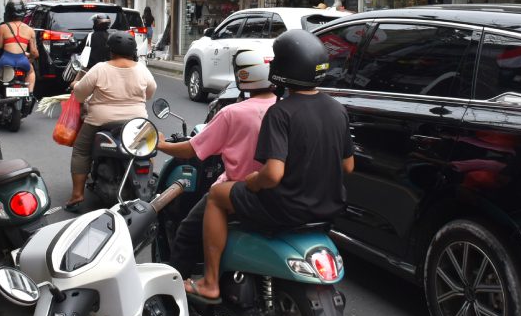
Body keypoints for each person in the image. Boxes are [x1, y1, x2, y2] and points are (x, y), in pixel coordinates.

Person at [187, 29, 354, 301]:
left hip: (284, 207)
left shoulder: (281, 112)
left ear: (284, 68)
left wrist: (253, 181)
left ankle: (210, 282)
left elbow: (273, 174)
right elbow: (348, 167)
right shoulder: (338, 109)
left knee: (217, 196)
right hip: (328, 206)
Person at [157, 49, 275, 278]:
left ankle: (175, 290)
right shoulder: (283, 107)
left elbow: (193, 149)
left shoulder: (232, 113)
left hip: (236, 189)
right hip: (274, 193)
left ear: (242, 76)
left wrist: (161, 145)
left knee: (187, 232)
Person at [66, 30, 157, 212]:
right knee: (145, 151)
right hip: (137, 122)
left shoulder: (100, 68)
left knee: (81, 150)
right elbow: (150, 92)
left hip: (100, 120)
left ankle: (77, 195)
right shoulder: (141, 69)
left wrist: (75, 85)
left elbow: (80, 94)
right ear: (133, 51)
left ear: (111, 50)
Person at [0, 1, 38, 97]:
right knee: (31, 71)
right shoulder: (30, 30)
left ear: (8, 14)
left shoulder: (3, 27)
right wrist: (29, 57)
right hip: (23, 62)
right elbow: (35, 53)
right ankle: (29, 94)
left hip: (5, 62)